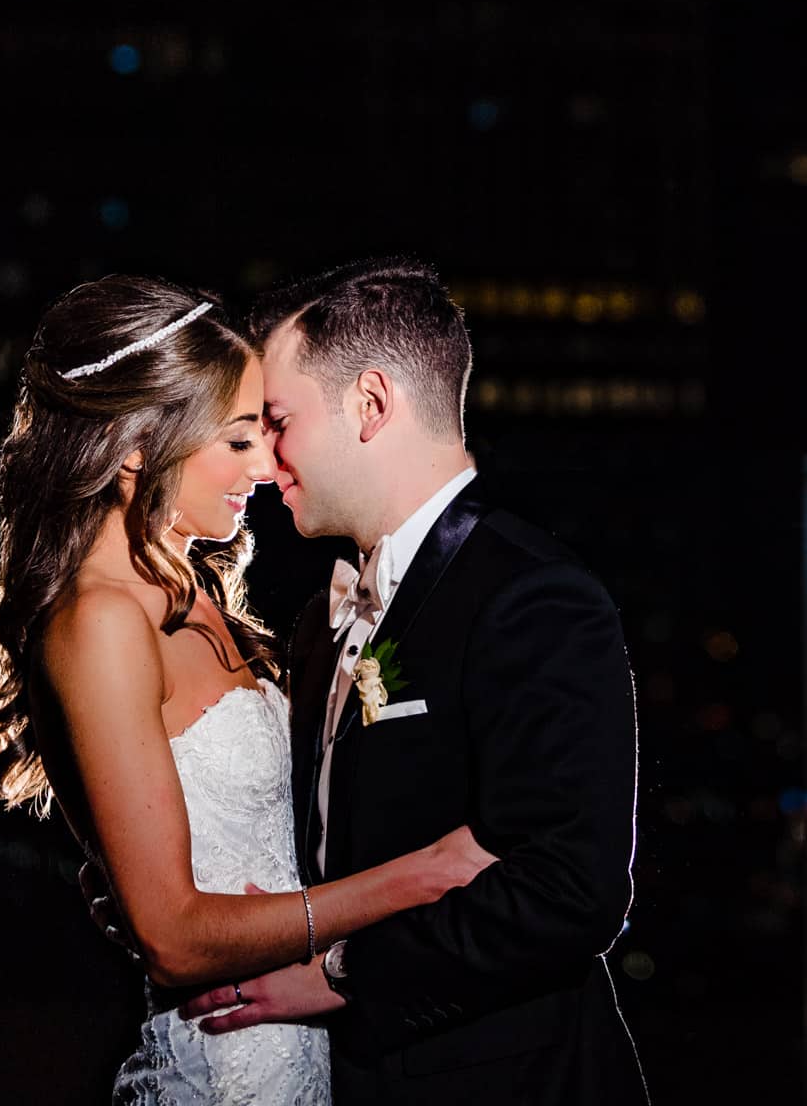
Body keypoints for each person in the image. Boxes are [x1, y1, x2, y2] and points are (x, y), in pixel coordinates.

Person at [0, 274, 496, 1104]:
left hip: (311, 1050)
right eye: (238, 440)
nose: (267, 465)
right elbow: (177, 938)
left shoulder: (195, 598)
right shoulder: (101, 620)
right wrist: (420, 875)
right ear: (140, 445)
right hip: (224, 1068)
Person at [180, 258, 650, 1104]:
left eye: (276, 420)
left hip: (498, 1079)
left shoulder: (533, 598)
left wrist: (341, 973)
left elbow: (570, 893)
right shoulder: (317, 619)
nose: (261, 459)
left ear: (370, 403)